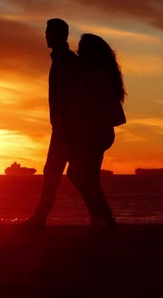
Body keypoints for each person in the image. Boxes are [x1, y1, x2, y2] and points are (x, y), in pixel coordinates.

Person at [23, 18, 81, 228]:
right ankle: (100, 214)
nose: (46, 35)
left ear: (60, 35)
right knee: (70, 173)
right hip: (64, 127)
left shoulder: (66, 61)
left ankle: (39, 218)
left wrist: (66, 125)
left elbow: (71, 96)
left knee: (55, 172)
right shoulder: (61, 59)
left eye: (50, 31)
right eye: (46, 31)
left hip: (67, 128)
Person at [66, 33, 126, 230]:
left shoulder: (95, 74)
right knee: (80, 174)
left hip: (95, 131)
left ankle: (101, 216)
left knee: (81, 174)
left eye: (82, 49)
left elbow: (88, 103)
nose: (79, 52)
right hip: (98, 131)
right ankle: (100, 215)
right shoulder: (98, 72)